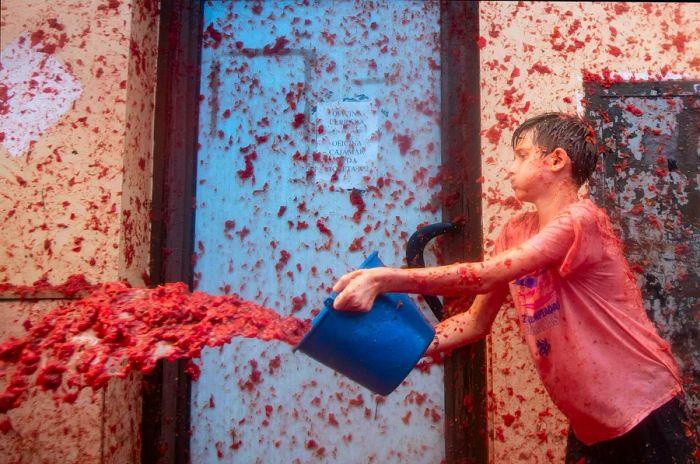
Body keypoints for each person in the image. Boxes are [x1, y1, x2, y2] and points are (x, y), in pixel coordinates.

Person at [331, 112, 697, 463]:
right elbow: (474, 323)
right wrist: (397, 346)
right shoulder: (513, 233)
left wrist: (384, 279)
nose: (509, 167)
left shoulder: (582, 219)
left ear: (556, 161)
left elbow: (488, 274)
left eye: (521, 156)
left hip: (646, 407)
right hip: (591, 425)